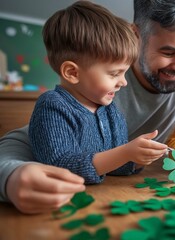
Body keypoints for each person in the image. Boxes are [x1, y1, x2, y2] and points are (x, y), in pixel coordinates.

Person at [0, 0, 175, 214]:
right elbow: (34, 145)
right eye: (168, 53)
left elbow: (122, 159)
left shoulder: (110, 106)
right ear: (136, 36)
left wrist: (156, 155)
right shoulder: (93, 87)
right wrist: (10, 177)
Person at [29, 1, 167, 185]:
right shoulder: (53, 106)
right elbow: (60, 166)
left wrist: (136, 159)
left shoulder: (111, 111)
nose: (124, 82)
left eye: (124, 72)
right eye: (114, 73)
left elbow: (113, 165)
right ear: (72, 73)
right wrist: (125, 152)